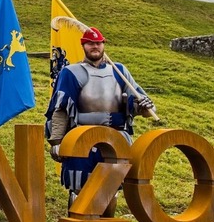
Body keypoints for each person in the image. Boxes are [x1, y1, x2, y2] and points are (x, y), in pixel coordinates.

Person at [44, 26, 154, 207]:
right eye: (90, 43)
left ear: (103, 45)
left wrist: (143, 105)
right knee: (81, 190)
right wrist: (57, 141)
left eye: (98, 43)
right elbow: (61, 109)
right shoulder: (71, 72)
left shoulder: (119, 71)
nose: (94, 47)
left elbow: (136, 101)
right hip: (82, 138)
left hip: (115, 139)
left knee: (111, 189)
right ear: (83, 46)